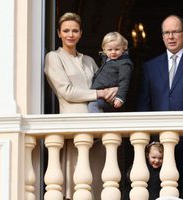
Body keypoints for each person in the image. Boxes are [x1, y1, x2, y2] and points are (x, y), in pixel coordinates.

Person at [44, 12, 117, 199]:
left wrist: (113, 91)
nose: (70, 34)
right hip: (73, 127)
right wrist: (98, 93)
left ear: (81, 33)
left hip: (97, 126)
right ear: (59, 33)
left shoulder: (89, 60)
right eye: (66, 30)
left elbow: (102, 85)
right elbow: (66, 91)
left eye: (75, 30)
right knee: (76, 186)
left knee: (100, 184)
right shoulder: (54, 58)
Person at [137, 14, 183, 111]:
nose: (170, 37)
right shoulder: (150, 68)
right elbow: (143, 105)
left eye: (175, 32)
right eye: (166, 33)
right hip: (159, 125)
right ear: (162, 37)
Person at [88, 32, 133, 112]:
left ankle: (96, 124)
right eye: (110, 49)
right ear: (104, 49)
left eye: (117, 49)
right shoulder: (106, 59)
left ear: (123, 48)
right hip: (100, 94)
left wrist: (120, 98)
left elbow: (124, 81)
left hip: (111, 98)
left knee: (93, 105)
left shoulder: (124, 63)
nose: (113, 52)